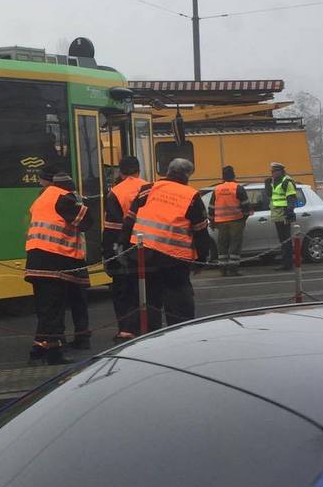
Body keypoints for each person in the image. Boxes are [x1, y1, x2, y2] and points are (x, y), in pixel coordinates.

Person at [120, 158, 211, 330]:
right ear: (187, 175)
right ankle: (178, 335)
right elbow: (200, 232)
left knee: (149, 300)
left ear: (168, 171)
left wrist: (125, 248)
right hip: (173, 259)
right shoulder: (191, 196)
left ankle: (150, 336)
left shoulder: (147, 190)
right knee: (178, 303)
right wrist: (202, 259)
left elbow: (129, 222)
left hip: (143, 254)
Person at [25, 165, 92, 365]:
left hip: (36, 258)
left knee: (45, 308)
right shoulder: (64, 198)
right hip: (54, 259)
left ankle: (38, 349)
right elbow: (87, 221)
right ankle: (54, 354)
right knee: (54, 308)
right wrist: (80, 202)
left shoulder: (42, 198)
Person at [102, 156, 148, 343]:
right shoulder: (150, 187)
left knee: (123, 291)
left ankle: (126, 330)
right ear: (139, 170)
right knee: (146, 290)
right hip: (150, 248)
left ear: (120, 172)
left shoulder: (116, 192)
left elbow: (111, 228)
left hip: (125, 248)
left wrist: (108, 256)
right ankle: (148, 328)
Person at [208, 165, 252, 276]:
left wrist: (212, 221)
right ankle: (233, 269)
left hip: (221, 222)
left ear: (223, 177)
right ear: (233, 175)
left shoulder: (217, 189)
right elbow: (246, 206)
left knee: (222, 245)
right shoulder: (238, 188)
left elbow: (211, 207)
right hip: (236, 221)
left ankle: (222, 269)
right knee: (235, 245)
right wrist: (244, 218)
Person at [266, 162, 298, 271]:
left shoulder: (286, 182)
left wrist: (289, 211)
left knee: (286, 240)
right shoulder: (274, 182)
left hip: (284, 214)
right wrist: (267, 185)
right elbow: (271, 196)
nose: (272, 174)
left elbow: (291, 198)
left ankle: (287, 264)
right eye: (272, 172)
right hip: (277, 215)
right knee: (283, 240)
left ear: (280, 171)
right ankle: (286, 263)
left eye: (274, 171)